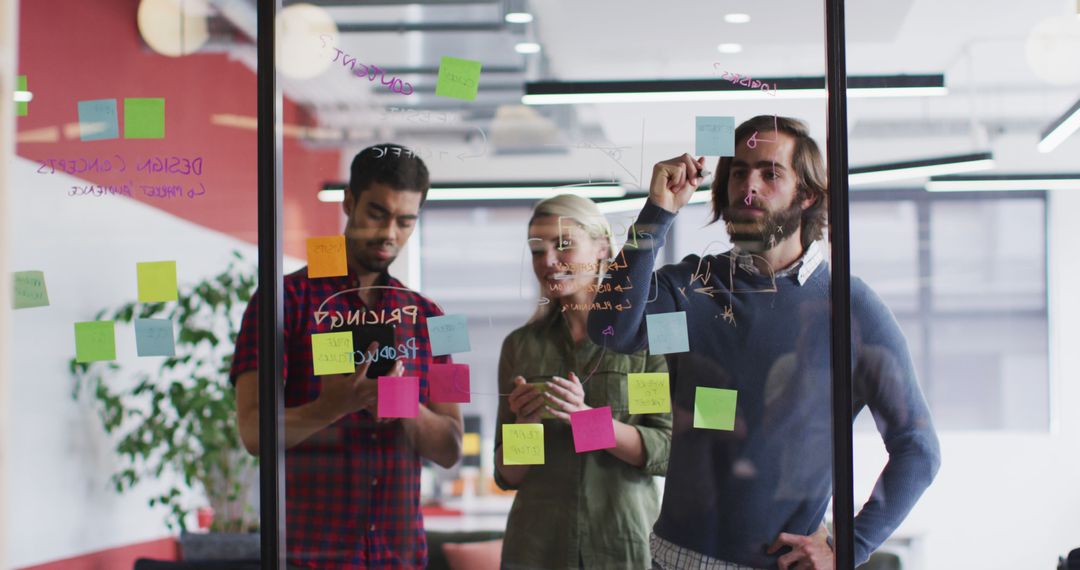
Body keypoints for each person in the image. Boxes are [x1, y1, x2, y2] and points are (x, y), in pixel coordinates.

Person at [587, 116, 941, 570]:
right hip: (670, 559)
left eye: (770, 173)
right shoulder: (694, 286)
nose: (748, 186)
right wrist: (657, 212)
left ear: (806, 194)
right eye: (738, 171)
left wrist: (849, 545)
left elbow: (918, 446)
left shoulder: (849, 308)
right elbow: (610, 330)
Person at [230, 144, 463, 569]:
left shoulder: (437, 318)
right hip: (310, 557)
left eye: (405, 221)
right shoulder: (281, 301)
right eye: (377, 213)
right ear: (349, 202)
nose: (390, 233)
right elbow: (252, 432)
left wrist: (401, 402)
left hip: (399, 558)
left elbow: (451, 447)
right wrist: (332, 406)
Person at [494, 194, 672, 570]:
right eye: (536, 250)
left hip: (620, 547)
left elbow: (664, 449)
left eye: (563, 245)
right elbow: (508, 475)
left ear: (602, 247)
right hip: (537, 551)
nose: (547, 261)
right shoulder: (521, 347)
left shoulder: (644, 343)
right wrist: (526, 426)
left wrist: (587, 421)